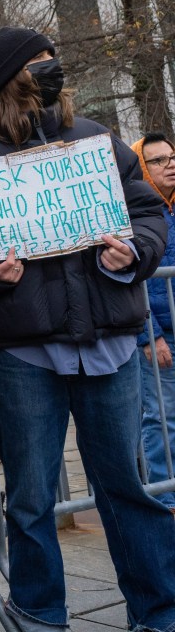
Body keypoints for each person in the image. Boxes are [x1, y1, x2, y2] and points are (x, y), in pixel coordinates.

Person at [0, 26, 175, 632]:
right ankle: (41, 614)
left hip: (110, 345)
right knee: (31, 497)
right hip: (22, 354)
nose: (52, 66)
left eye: (51, 56)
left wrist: (137, 250)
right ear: (7, 78)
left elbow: (146, 211)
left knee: (129, 487)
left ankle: (159, 612)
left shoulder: (97, 140)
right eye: (37, 61)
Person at [131, 133, 175, 511]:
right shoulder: (136, 213)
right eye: (159, 160)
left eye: (172, 157)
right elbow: (133, 279)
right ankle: (166, 502)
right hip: (159, 335)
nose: (171, 164)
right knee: (162, 420)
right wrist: (151, 336)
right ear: (143, 168)